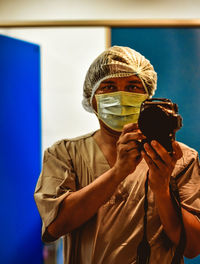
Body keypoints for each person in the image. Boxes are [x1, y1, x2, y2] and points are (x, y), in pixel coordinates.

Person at [34, 46, 200, 264]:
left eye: (133, 87)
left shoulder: (179, 158)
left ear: (147, 97)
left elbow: (192, 247)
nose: (121, 96)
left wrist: (162, 190)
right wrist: (118, 173)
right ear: (92, 98)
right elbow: (55, 227)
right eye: (109, 87)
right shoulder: (64, 154)